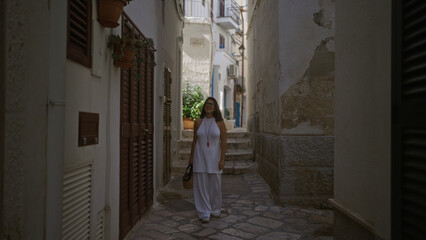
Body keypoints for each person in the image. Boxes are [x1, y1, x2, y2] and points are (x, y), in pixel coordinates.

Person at [188, 97, 227, 223]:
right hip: (200, 157)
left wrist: (222, 160)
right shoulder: (198, 122)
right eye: (206, 104)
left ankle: (215, 209)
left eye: (211, 104)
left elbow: (224, 142)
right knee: (201, 186)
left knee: (215, 186)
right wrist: (191, 158)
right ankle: (204, 212)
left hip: (215, 159)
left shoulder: (220, 123)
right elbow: (194, 141)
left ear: (215, 107)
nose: (208, 105)